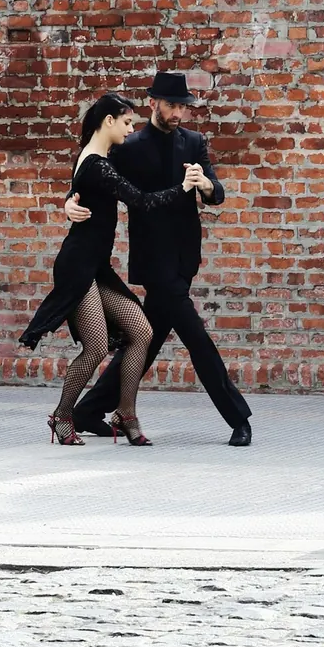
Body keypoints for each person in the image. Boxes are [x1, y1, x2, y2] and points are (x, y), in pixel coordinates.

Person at [66, 72, 253, 446]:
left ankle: (88, 410)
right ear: (154, 103)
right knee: (197, 338)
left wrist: (206, 185)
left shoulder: (195, 143)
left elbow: (217, 194)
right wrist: (70, 200)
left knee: (144, 340)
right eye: (172, 105)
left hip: (185, 258)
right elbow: (91, 170)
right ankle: (238, 417)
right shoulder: (129, 145)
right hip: (154, 260)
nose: (178, 113)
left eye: (183, 106)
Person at [20, 92, 194, 446]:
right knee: (97, 347)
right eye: (127, 122)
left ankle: (125, 412)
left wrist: (67, 201)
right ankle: (62, 416)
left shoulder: (96, 156)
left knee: (141, 332)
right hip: (78, 266)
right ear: (109, 121)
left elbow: (77, 190)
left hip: (95, 265)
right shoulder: (97, 165)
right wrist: (184, 188)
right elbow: (142, 202)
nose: (131, 129)